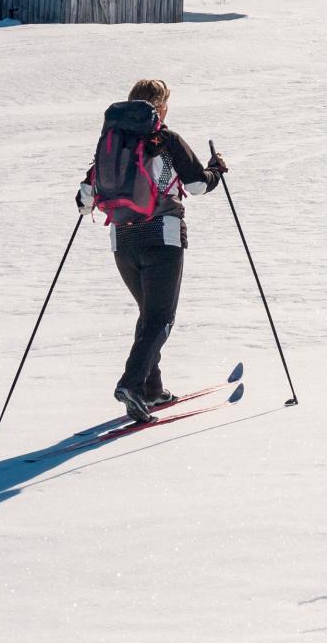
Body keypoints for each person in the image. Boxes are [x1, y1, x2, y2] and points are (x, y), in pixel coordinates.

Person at [75, 79, 227, 422]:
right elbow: (197, 185)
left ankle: (151, 389)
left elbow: (85, 199)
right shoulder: (164, 139)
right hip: (162, 235)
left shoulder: (111, 142)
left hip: (122, 242)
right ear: (161, 107)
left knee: (149, 315)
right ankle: (132, 383)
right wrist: (216, 170)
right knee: (161, 318)